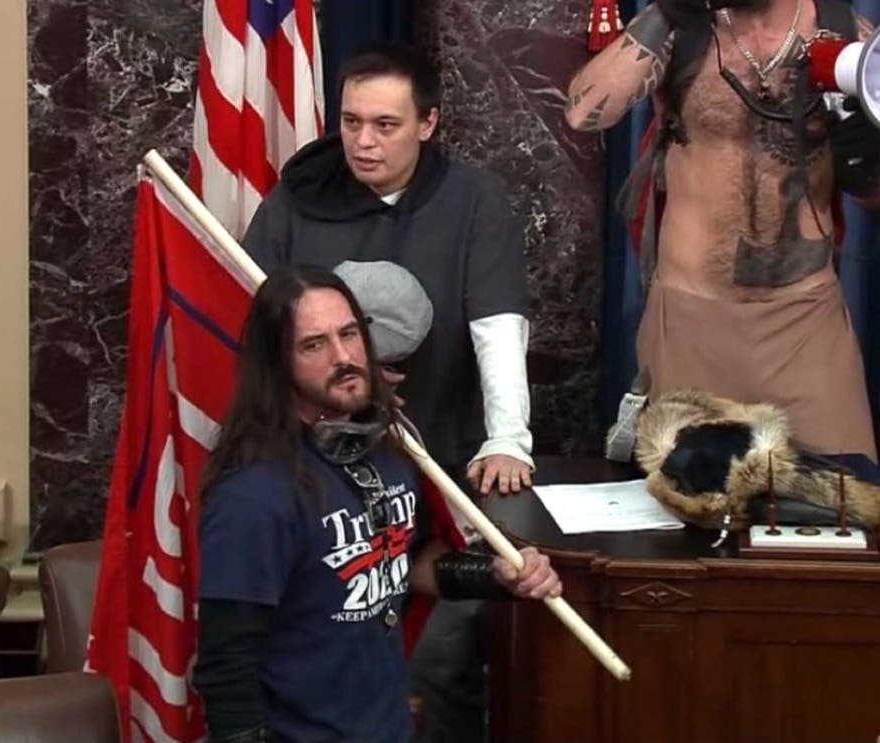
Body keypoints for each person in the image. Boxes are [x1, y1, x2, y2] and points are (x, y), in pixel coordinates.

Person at [192, 265, 562, 743]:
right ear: (277, 364)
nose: (344, 356)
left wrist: (496, 575)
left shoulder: (387, 446)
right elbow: (227, 666)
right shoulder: (253, 494)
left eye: (349, 333)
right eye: (314, 345)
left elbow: (407, 561)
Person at [565, 0, 880, 461]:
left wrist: (867, 158)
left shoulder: (846, 32)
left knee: (840, 511)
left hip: (805, 327)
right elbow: (583, 111)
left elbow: (874, 197)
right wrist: (667, 13)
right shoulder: (682, 29)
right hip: (692, 323)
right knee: (687, 517)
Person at [241, 42, 533, 496]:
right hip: (309, 459)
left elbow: (498, 326)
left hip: (441, 451)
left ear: (427, 123)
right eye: (351, 122)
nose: (363, 142)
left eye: (385, 125)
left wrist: (508, 439)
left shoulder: (473, 200)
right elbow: (250, 319)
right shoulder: (297, 196)